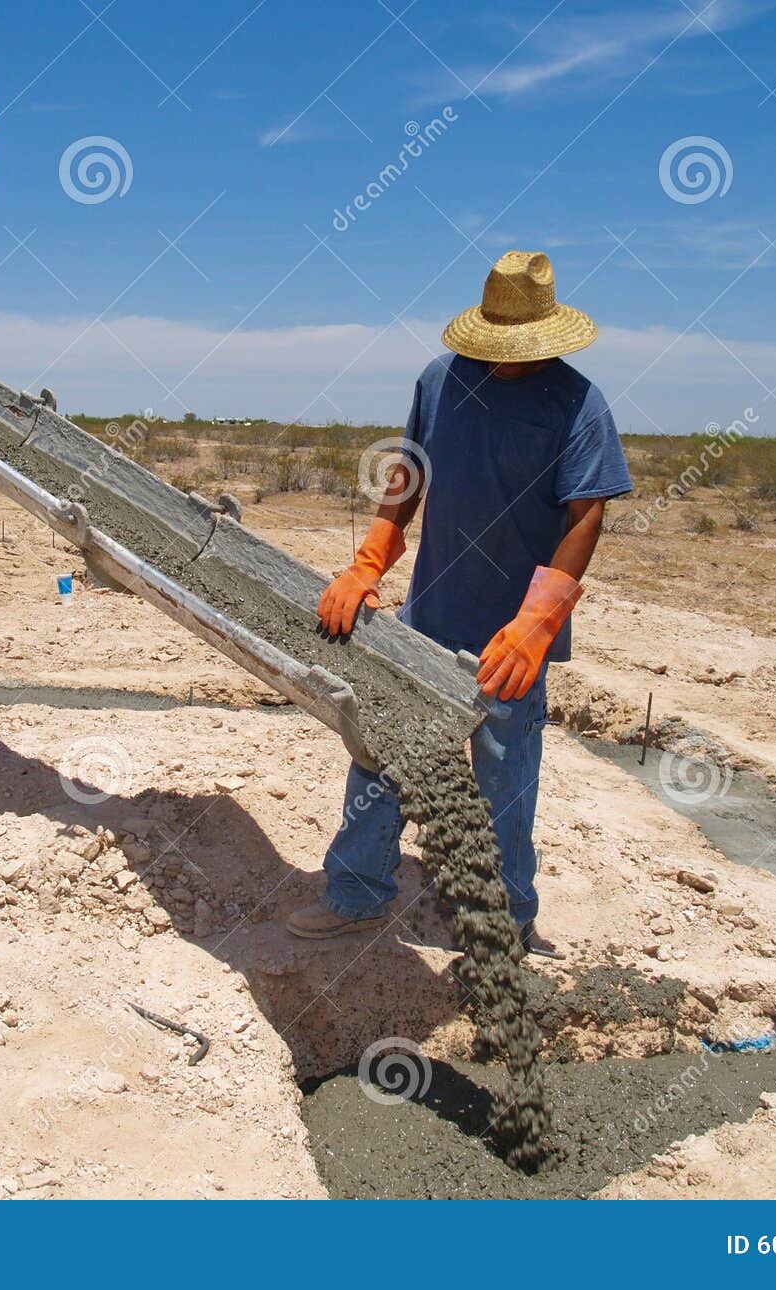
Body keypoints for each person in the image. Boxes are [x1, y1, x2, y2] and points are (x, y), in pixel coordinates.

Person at [288, 251, 633, 958]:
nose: (503, 364)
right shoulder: (440, 381)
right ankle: (357, 896)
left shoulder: (577, 404)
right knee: (381, 753)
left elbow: (585, 516)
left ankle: (506, 928)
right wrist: (369, 560)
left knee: (506, 777)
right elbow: (407, 477)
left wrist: (540, 619)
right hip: (431, 620)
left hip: (511, 638)